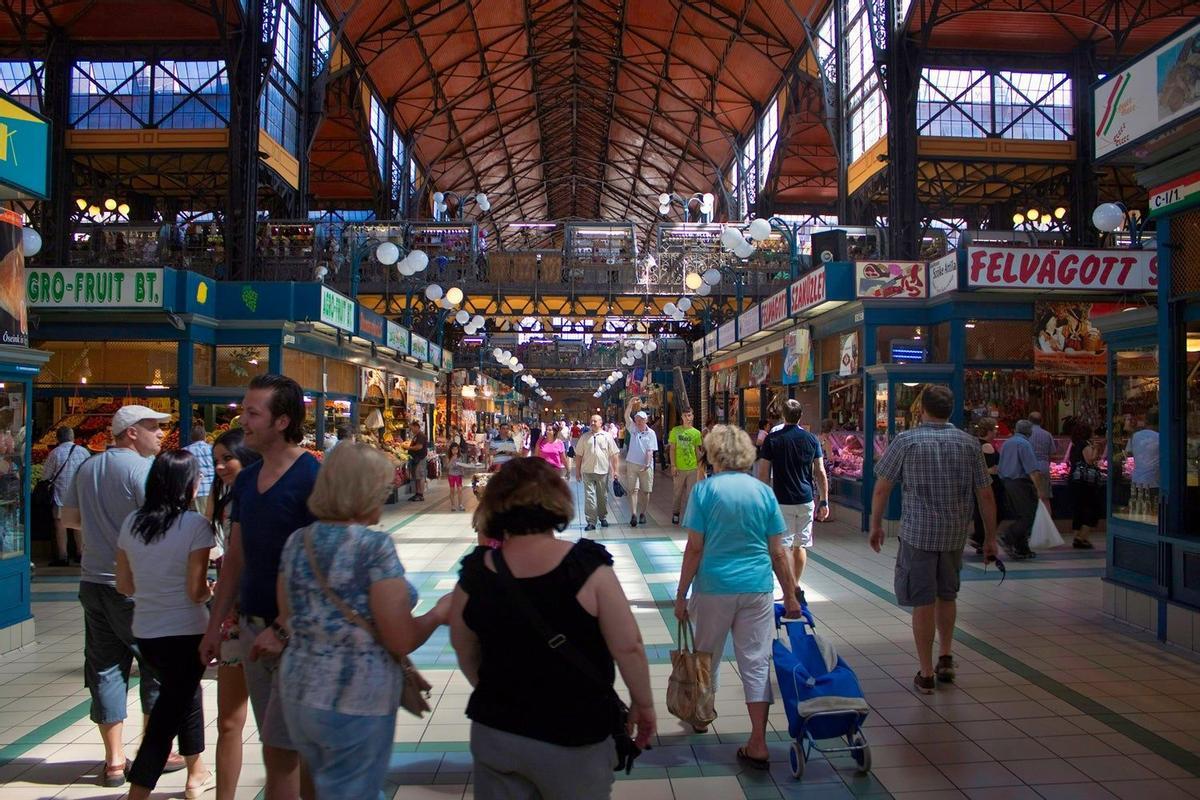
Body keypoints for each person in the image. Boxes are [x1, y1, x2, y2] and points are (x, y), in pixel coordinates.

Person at [449, 457, 655, 798]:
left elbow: (463, 645)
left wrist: (493, 690)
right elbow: (628, 645)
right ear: (556, 499)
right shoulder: (588, 567)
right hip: (576, 734)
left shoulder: (475, 573)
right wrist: (643, 703)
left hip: (497, 732)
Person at [278, 443, 451, 799]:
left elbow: (287, 616)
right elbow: (399, 639)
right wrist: (437, 614)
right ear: (365, 490)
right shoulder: (373, 547)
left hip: (298, 691)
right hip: (354, 697)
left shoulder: (298, 542)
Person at [199, 374, 321, 800]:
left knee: (291, 751)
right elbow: (235, 557)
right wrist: (216, 626)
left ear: (283, 421)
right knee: (277, 746)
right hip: (253, 631)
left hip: (299, 637)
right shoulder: (247, 481)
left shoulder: (313, 478)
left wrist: (285, 628)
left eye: (253, 413)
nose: (242, 420)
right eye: (243, 410)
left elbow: (320, 566)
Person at [61, 403, 182, 788]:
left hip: (92, 583)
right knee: (155, 666)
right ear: (131, 432)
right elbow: (161, 524)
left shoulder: (87, 467)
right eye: (153, 427)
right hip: (136, 585)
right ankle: (155, 749)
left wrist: (102, 529)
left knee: (104, 667)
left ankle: (114, 761)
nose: (161, 434)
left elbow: (69, 519)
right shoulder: (143, 470)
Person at [674, 425, 800, 767]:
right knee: (756, 663)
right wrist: (790, 596)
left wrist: (682, 593)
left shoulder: (704, 491)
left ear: (713, 453)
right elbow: (778, 552)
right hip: (757, 588)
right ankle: (758, 741)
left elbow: (694, 549)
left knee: (707, 655)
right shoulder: (764, 493)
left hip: (714, 587)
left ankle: (702, 714)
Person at [868, 387, 998, 695]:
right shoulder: (969, 444)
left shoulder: (905, 441)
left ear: (922, 409)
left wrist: (875, 524)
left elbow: (882, 487)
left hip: (918, 535)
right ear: (951, 410)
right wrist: (990, 538)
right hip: (954, 535)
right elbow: (986, 495)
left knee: (922, 601)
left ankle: (926, 672)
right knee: (947, 595)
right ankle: (946, 656)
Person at [115, 450, 215, 799]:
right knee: (168, 714)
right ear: (187, 485)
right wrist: (211, 592)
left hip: (146, 631)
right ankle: (140, 789)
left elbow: (124, 585)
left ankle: (195, 774)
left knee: (185, 695)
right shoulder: (195, 526)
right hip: (186, 632)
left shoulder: (131, 523)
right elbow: (195, 591)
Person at [205, 428, 261, 800]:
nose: (222, 466)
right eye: (217, 460)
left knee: (281, 726)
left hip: (269, 619)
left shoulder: (269, 498)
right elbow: (226, 565)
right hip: (233, 622)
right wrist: (214, 623)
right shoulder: (223, 502)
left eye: (229, 458)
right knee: (229, 721)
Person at [757, 400, 829, 604]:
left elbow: (763, 472)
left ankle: (789, 587)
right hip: (806, 499)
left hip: (781, 500)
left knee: (782, 548)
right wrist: (824, 501)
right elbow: (820, 472)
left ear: (783, 415)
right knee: (801, 545)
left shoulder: (773, 439)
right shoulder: (811, 440)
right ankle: (795, 584)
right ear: (800, 416)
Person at [998, 419, 1045, 560]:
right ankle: (1008, 536)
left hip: (1006, 482)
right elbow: (1032, 470)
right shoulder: (1025, 444)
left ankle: (1022, 548)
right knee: (1028, 515)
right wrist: (1039, 489)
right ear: (1029, 431)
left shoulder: (1007, 443)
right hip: (1021, 484)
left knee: (1020, 514)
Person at [43, 426, 88, 566]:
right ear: (72, 437)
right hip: (79, 494)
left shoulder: (55, 453)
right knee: (78, 524)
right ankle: (81, 554)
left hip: (60, 495)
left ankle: (63, 556)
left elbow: (46, 476)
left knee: (60, 525)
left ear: (57, 439)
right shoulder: (83, 451)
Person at [575, 414, 620, 531]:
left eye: (595, 421)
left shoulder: (607, 436)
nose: (593, 423)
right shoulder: (584, 437)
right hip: (587, 471)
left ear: (601, 423)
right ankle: (591, 521)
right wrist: (577, 471)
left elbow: (614, 454)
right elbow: (579, 455)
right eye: (591, 421)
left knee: (602, 496)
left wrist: (616, 471)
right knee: (589, 497)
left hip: (603, 471)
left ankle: (602, 517)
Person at [969, 417, 1006, 555]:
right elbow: (988, 467)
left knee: (980, 510)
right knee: (996, 509)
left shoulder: (976, 443)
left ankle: (980, 537)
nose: (996, 432)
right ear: (989, 431)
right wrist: (993, 469)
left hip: (980, 484)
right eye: (995, 430)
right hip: (991, 484)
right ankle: (983, 537)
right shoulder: (987, 446)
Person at [623, 399, 659, 527]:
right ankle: (633, 514)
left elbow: (650, 451)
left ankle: (643, 513)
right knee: (633, 490)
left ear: (646, 421)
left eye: (641, 419)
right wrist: (630, 404)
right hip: (632, 463)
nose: (638, 421)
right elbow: (626, 416)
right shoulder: (632, 428)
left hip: (646, 466)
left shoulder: (651, 434)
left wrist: (647, 464)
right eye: (637, 419)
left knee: (646, 491)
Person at [1068, 423, 1102, 550]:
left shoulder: (1074, 445)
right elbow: (1090, 460)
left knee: (1078, 509)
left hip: (1075, 480)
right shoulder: (1084, 444)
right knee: (1090, 508)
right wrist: (1097, 448)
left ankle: (1079, 537)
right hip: (1086, 482)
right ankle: (1081, 537)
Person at [667, 409, 703, 525]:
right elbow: (672, 449)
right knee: (677, 492)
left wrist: (701, 467)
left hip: (692, 468)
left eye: (690, 415)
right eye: (686, 415)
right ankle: (676, 513)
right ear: (682, 417)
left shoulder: (696, 433)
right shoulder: (675, 431)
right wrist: (673, 465)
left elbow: (697, 451)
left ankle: (690, 516)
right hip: (679, 468)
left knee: (691, 493)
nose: (688, 418)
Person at [184, 424, 214, 515]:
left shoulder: (184, 451)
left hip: (194, 491)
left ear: (191, 437)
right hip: (212, 490)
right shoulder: (212, 449)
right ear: (205, 436)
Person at [1027, 411, 1057, 500]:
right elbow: (1053, 452)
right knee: (1044, 497)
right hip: (1043, 466)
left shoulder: (1025, 434)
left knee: (1030, 498)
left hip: (1028, 467)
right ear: (1041, 421)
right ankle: (1046, 514)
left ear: (1029, 421)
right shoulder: (1047, 434)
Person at [1130, 410, 1160, 495]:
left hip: (1137, 481)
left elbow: (1129, 453)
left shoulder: (1135, 436)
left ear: (1146, 422)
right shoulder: (1160, 437)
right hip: (1154, 482)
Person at [401, 421, 429, 501]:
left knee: (420, 476)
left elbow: (419, 447)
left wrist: (408, 448)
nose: (411, 430)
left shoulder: (421, 436)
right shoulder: (416, 436)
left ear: (416, 427)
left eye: (412, 428)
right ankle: (417, 493)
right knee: (417, 477)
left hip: (420, 458)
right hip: (416, 459)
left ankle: (421, 494)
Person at [444, 440, 466, 511]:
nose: (455, 451)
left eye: (456, 449)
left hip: (458, 475)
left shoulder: (460, 456)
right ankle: (453, 505)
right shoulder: (448, 457)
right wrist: (452, 460)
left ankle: (460, 504)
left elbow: (462, 465)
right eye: (453, 449)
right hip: (451, 475)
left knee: (460, 489)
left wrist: (462, 471)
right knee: (452, 490)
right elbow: (447, 466)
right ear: (451, 450)